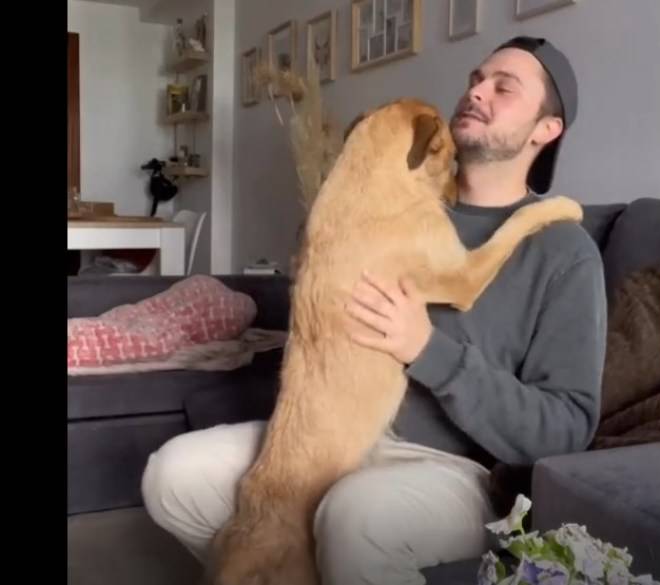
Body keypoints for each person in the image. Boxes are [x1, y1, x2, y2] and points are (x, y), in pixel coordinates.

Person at [141, 36, 607, 585]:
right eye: (476, 79)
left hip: (454, 470)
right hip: (338, 440)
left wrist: (428, 349)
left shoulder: (564, 250)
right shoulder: (388, 202)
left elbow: (565, 430)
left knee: (356, 519)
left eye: (504, 88)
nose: (477, 92)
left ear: (546, 129)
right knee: (172, 475)